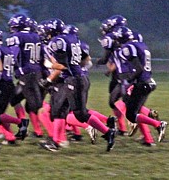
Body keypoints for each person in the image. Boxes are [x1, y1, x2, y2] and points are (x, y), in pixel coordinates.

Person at [39, 19, 116, 152]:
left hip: (74, 80)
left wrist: (49, 65)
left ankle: (108, 132)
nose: (46, 35)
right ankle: (55, 142)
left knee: (80, 113)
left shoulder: (57, 42)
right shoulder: (71, 38)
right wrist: (75, 66)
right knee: (59, 111)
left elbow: (62, 65)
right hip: (76, 78)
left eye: (47, 32)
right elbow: (86, 59)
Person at [112, 26, 168, 146]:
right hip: (149, 81)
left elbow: (138, 68)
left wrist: (130, 79)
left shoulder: (128, 48)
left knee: (131, 114)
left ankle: (158, 124)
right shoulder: (141, 45)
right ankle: (153, 127)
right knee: (133, 110)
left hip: (142, 83)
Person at [6, 14, 40, 139]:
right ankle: (24, 126)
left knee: (36, 104)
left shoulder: (17, 37)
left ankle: (53, 135)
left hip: (26, 73)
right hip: (37, 72)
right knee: (14, 98)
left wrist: (8, 69)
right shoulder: (36, 36)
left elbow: (12, 56)